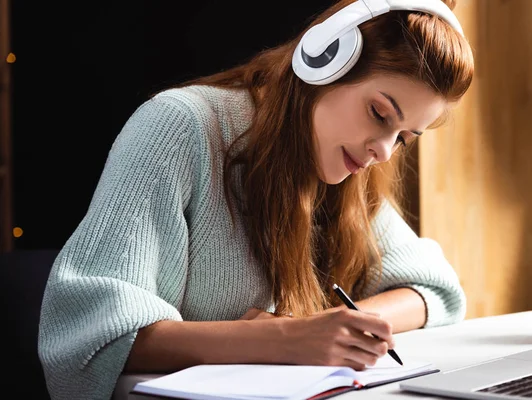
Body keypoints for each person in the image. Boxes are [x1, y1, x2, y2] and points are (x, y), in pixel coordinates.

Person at [38, 0, 474, 399]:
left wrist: (321, 330)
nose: (383, 150)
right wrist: (285, 340)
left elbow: (433, 289)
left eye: (404, 137)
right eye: (380, 114)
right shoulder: (178, 126)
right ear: (324, 61)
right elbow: (94, 334)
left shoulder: (344, 164)